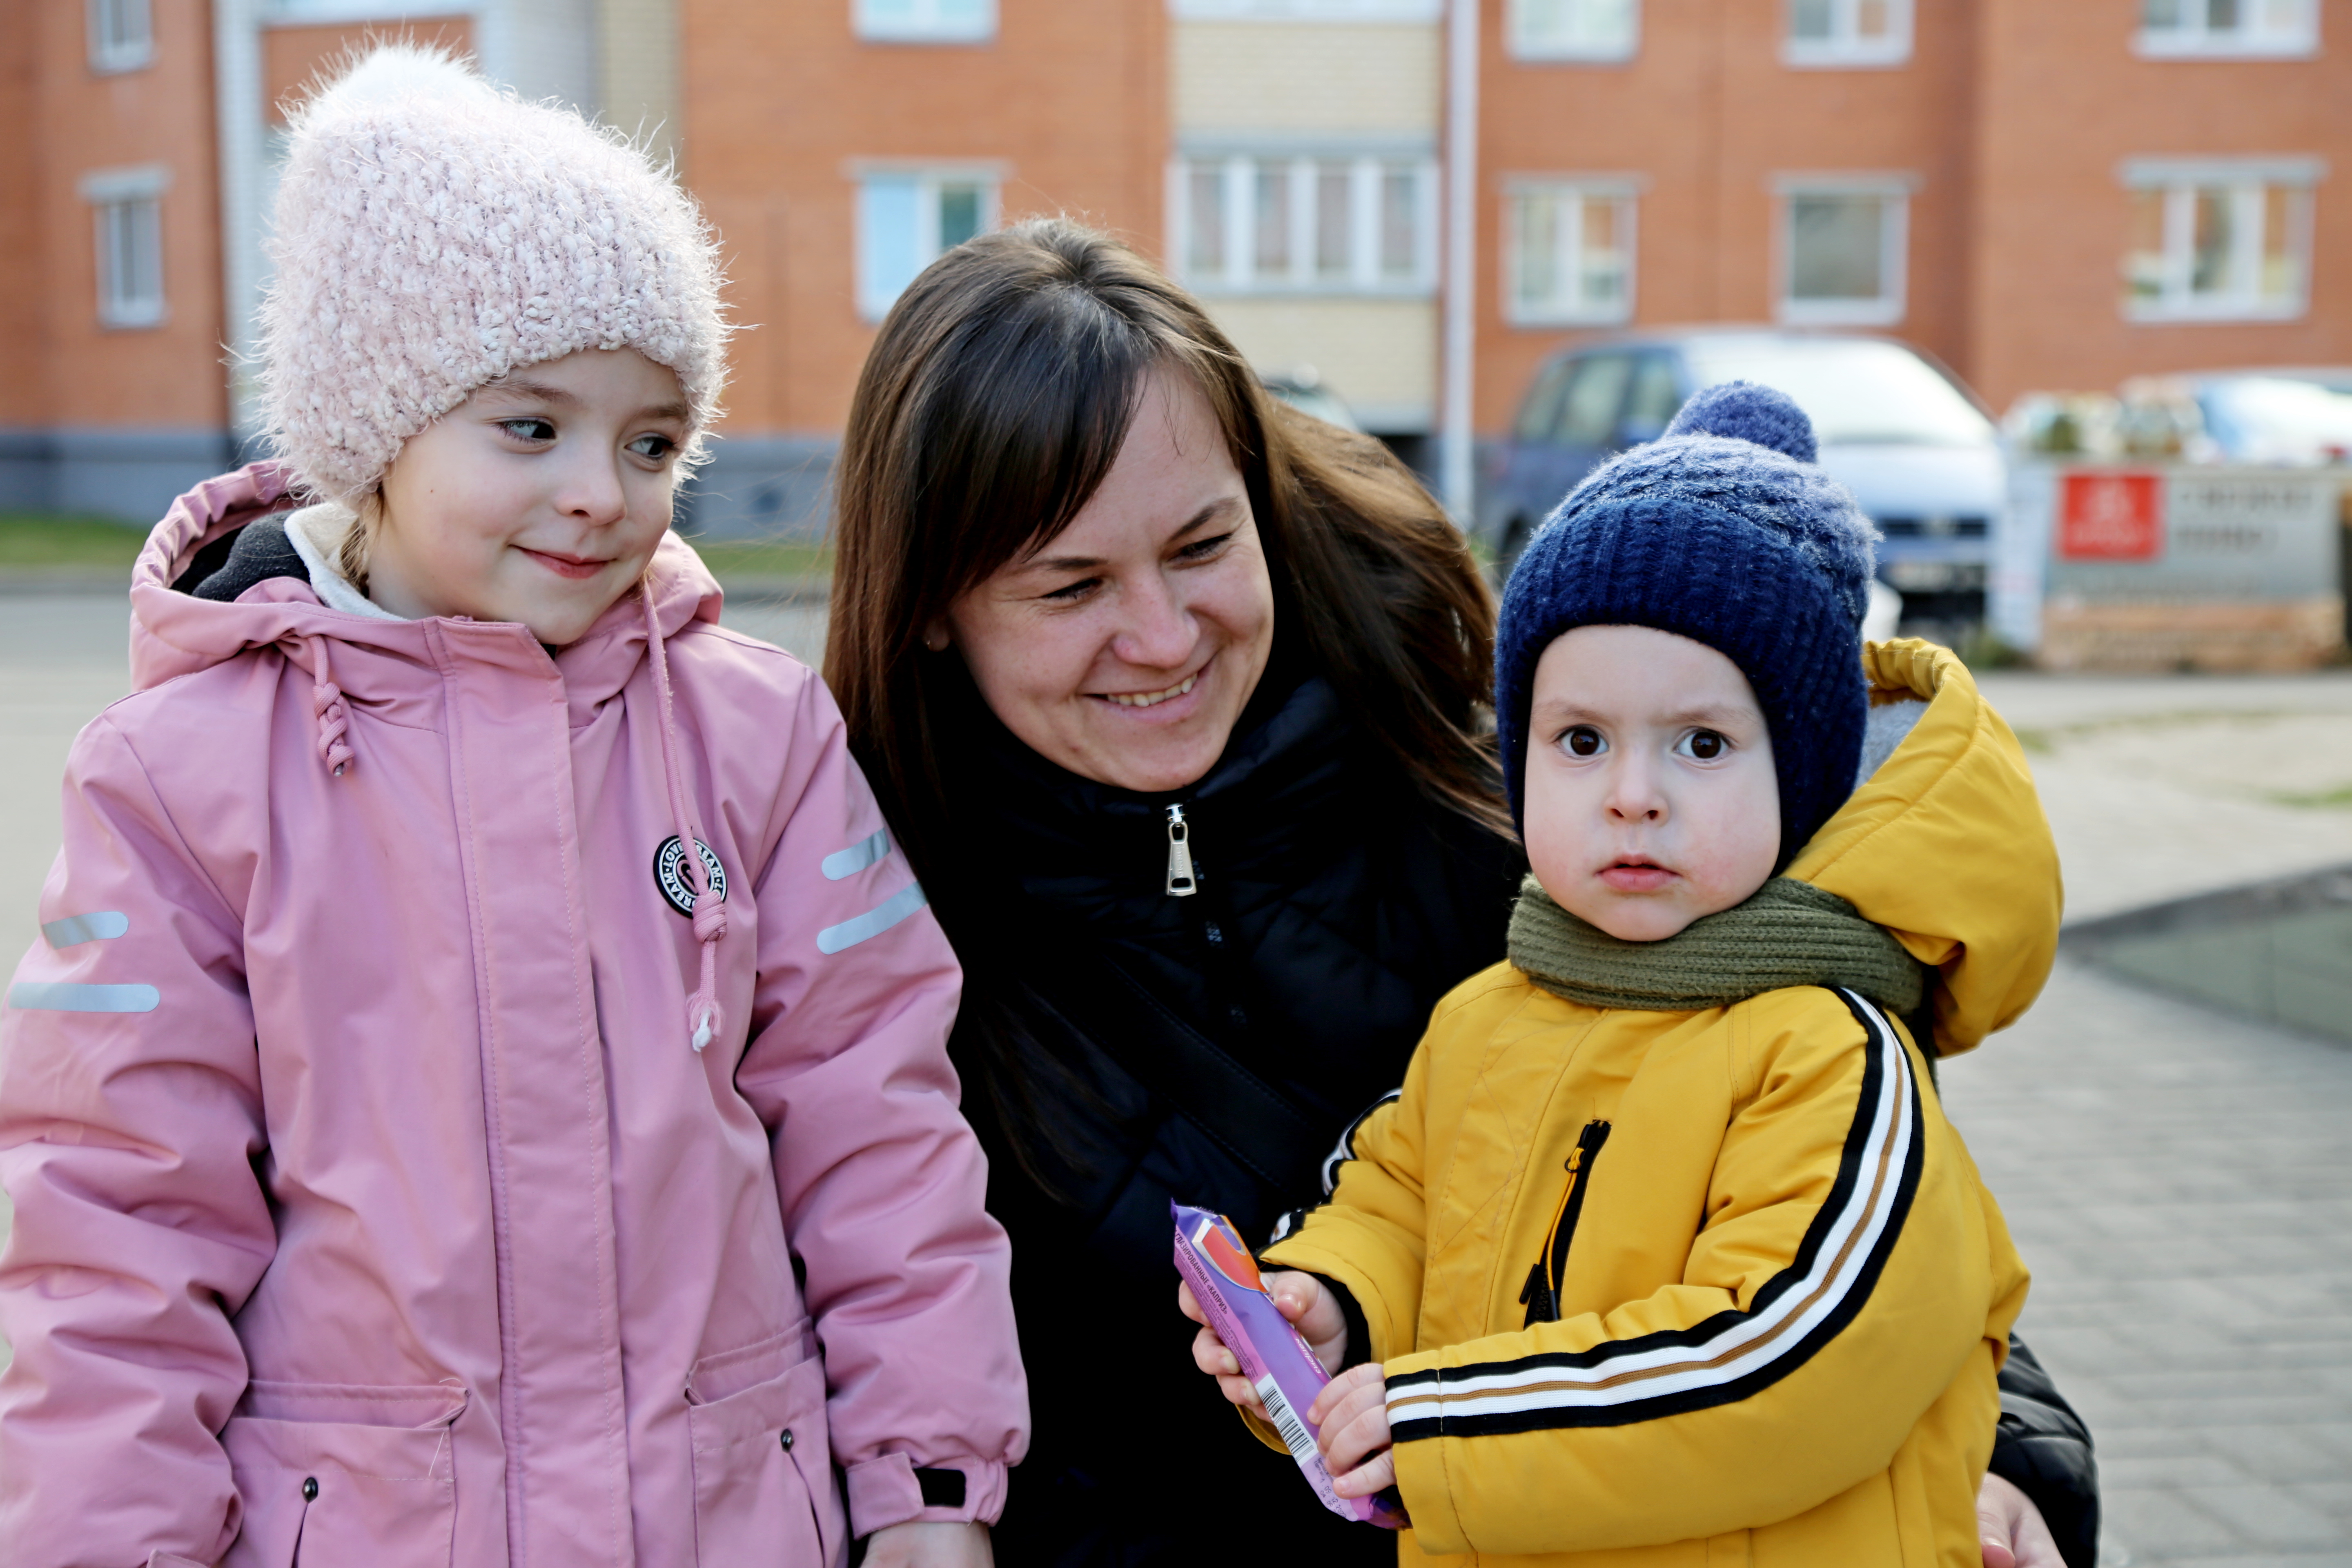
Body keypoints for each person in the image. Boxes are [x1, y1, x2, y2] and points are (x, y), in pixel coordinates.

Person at [825, 219, 2095, 1566]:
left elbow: (1852, 1195)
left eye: (1202, 546)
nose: (1161, 634)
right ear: (930, 605)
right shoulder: (855, 927)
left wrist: (1999, 1448)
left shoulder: (1524, 786)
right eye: (1072, 584)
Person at [0, 49, 1022, 1566]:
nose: (603, 491)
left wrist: (926, 1482)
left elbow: (878, 1133)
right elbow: (114, 1225)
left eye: (653, 440)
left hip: (734, 1519)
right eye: (531, 428)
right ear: (376, 432)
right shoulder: (183, 778)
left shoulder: (750, 734)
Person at [1182, 382, 2054, 1562]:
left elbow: (1785, 1360)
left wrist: (1441, 1424)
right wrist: (1328, 1307)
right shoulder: (1491, 1016)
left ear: (1800, 778)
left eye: (1702, 744)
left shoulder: (1832, 1051)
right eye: (1581, 740)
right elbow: (1396, 1196)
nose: (1632, 793)